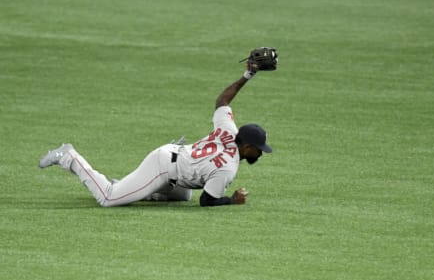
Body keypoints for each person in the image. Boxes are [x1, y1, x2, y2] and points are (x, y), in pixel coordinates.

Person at [38, 65, 272, 207]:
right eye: (258, 148)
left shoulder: (228, 129)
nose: (261, 152)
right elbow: (207, 201)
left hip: (174, 162)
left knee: (183, 196)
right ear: (246, 146)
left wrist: (247, 75)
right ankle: (69, 157)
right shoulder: (228, 168)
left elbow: (222, 101)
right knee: (108, 198)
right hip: (162, 166)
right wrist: (232, 200)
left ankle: (135, 188)